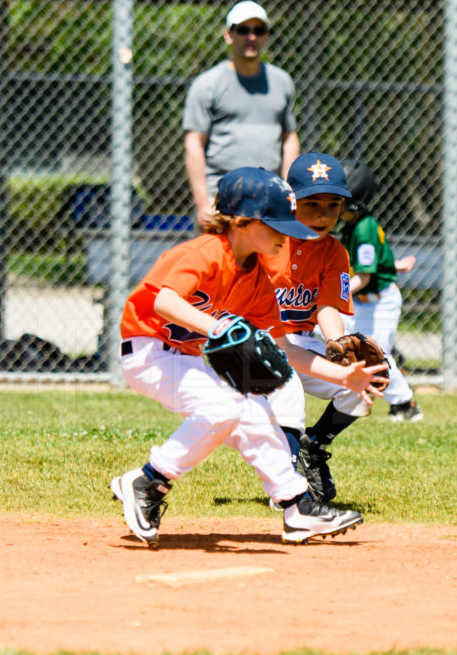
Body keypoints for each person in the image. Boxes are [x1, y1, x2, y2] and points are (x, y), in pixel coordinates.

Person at [110, 167, 387, 548]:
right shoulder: (204, 252)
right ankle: (148, 481)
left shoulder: (256, 280)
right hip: (147, 351)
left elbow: (285, 350)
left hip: (183, 357)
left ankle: (297, 506)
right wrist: (216, 328)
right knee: (224, 408)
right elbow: (164, 300)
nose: (285, 234)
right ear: (241, 222)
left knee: (256, 416)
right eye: (275, 225)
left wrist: (346, 378)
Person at [261, 152, 377, 503]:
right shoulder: (266, 241)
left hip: (298, 344)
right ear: (290, 202)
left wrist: (337, 343)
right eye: (311, 204)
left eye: (333, 204)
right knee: (289, 386)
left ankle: (314, 448)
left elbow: (327, 306)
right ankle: (288, 484)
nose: (324, 215)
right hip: (252, 343)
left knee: (359, 385)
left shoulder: (334, 252)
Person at [183, 1, 300, 229]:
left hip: (269, 199)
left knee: (268, 264)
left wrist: (288, 192)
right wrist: (202, 203)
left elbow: (289, 138)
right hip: (222, 202)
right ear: (229, 35)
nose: (252, 37)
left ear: (266, 36)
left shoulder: (282, 82)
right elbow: (194, 144)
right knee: (218, 264)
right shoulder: (207, 85)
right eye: (244, 30)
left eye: (259, 31)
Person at [338, 159, 423, 422]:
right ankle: (367, 398)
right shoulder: (354, 224)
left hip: (379, 302)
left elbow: (363, 276)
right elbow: (371, 261)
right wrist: (394, 265)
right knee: (357, 352)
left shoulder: (363, 227)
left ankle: (406, 405)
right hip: (363, 302)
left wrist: (336, 296)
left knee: (377, 357)